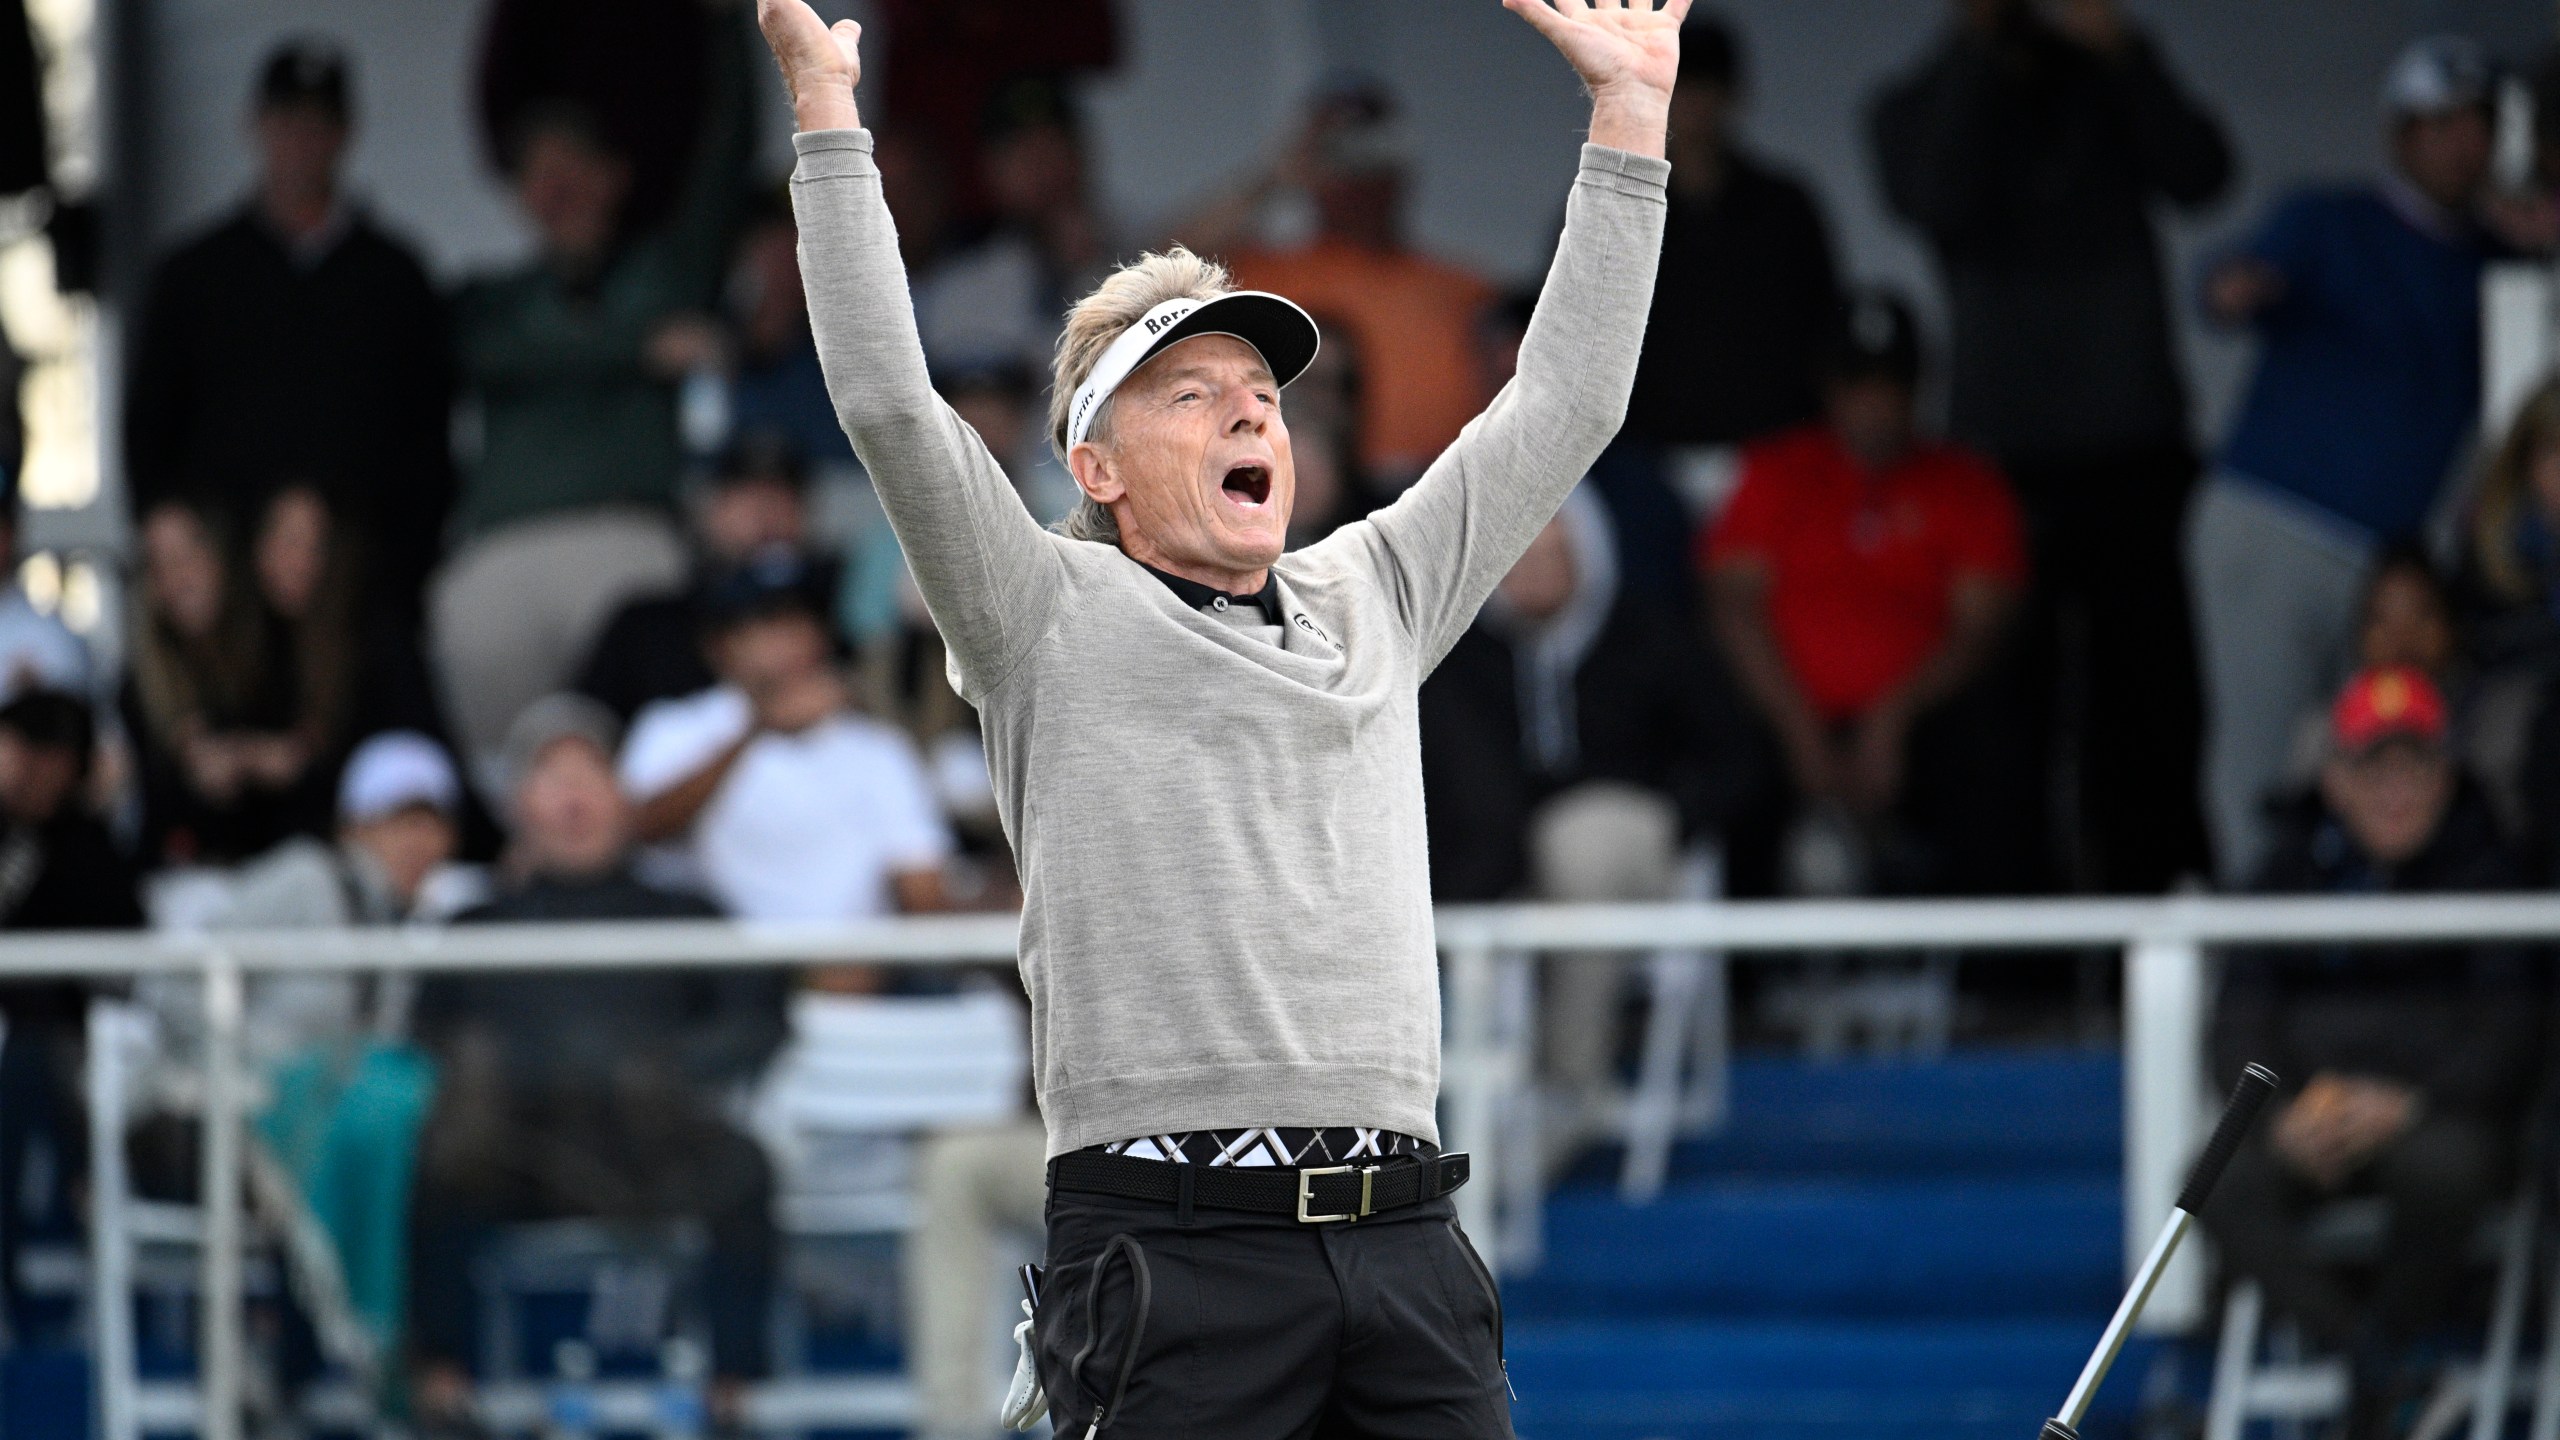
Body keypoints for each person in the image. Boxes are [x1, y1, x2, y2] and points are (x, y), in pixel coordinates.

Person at [758, 0, 1675, 1431]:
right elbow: (886, 399)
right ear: (1097, 467)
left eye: (1261, 393)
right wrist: (827, 113)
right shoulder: (1039, 609)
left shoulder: (1374, 584)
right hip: (1166, 1253)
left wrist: (1629, 121)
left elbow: (1568, 402)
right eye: (1193, 394)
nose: (1254, 415)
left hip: (1407, 1242)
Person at [1871, 0, 2228, 893]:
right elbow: (1934, 196)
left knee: (2146, 709)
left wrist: (2121, 46)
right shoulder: (1920, 97)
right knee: (2002, 716)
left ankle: (2151, 929)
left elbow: (2204, 174)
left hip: (2133, 444)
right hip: (2002, 453)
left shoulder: (2107, 75)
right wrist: (1978, 43)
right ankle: (2014, 957)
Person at [407, 694, 782, 1438]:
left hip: (650, 1146)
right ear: (519, 804)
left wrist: (671, 1069)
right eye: (552, 775)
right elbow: (427, 1041)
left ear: (621, 795)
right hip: (518, 1152)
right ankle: (441, 1390)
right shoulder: (473, 926)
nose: (573, 793)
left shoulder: (688, 915)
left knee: (746, 1168)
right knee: (437, 1168)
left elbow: (757, 1023)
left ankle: (730, 1398)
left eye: (590, 773)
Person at [2193, 36, 2509, 884]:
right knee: (2264, 766)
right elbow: (2222, 285)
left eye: (2474, 123)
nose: (2458, 144)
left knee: (2395, 759)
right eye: (2436, 125)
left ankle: (2373, 966)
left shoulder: (2491, 254)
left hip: (2392, 574)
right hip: (2277, 531)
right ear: (2399, 137)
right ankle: (2249, 964)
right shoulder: (2332, 218)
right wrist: (2234, 285)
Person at [2203, 665, 2542, 1440]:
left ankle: (2377, 1364)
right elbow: (2239, 1025)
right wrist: (2282, 1115)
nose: (2396, 787)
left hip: (2437, 1116)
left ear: (2447, 772)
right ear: (2334, 778)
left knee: (2449, 1166)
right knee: (2212, 1174)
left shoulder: (2493, 873)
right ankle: (2373, 1365)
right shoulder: (2282, 877)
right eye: (2372, 765)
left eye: (2414, 763)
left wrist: (2412, 1102)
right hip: (2313, 1119)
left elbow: (2514, 1029)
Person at [434, 8, 756, 784]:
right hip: (500, 556)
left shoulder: (666, 274)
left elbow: (725, 155)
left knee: (644, 774)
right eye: (538, 169)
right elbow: (488, 355)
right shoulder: (490, 302)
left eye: (575, 163)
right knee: (505, 781)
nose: (558, 184)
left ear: (616, 175)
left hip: (628, 548)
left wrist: (721, 23)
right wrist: (637, 351)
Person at [1422, 487, 1746, 1157]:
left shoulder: (1649, 634)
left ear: (1588, 553)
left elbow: (1736, 758)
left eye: (1553, 553)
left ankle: (1572, 1086)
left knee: (1582, 839)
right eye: (1517, 556)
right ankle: (1449, 1110)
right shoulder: (1463, 654)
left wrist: (1680, 816)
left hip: (1633, 850)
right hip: (1504, 859)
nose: (1533, 571)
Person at [1703, 290, 2037, 897]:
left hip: (1928, 714)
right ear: (1827, 387)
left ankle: (1999, 987)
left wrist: (1894, 718)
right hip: (1788, 709)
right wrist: (1799, 729)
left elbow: (1983, 627)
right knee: (1732, 773)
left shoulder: (1967, 482)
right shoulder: (1776, 471)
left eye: (1891, 383)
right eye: (1857, 383)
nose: (1874, 404)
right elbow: (1733, 608)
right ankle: (1739, 988)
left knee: (1994, 768)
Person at [123, 40, 452, 624]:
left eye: (318, 123)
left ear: (345, 133)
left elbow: (427, 439)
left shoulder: (394, 276)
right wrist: (172, 528)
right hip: (223, 589)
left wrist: (396, 558)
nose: (301, 141)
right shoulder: (195, 274)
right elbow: (149, 428)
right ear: (255, 126)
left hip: (364, 588)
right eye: (286, 121)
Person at [206, 732, 468, 1359]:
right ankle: (357, 1328)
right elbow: (187, 982)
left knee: (411, 1108)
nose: (417, 843)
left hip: (359, 1113)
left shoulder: (425, 926)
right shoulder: (305, 876)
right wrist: (235, 1067)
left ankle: (366, 1339)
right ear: (354, 825)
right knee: (394, 1101)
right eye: (398, 821)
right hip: (257, 1098)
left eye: (432, 825)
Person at [1182, 77, 1498, 488]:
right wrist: (1274, 176)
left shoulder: (1465, 287)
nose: (1360, 175)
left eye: (1376, 152)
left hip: (1446, 491)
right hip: (1311, 495)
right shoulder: (1269, 273)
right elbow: (1163, 265)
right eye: (1342, 156)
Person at [620, 553, 951, 922]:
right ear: (718, 646)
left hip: (860, 966)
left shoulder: (877, 746)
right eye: (764, 625)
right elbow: (636, 831)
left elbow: (923, 893)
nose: (786, 643)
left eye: (798, 622)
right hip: (720, 967)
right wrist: (756, 730)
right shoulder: (673, 726)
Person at [1626, 10, 1838, 451]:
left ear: (1733, 96)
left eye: (1709, 86)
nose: (1696, 104)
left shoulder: (1785, 209)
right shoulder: (1618, 208)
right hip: (1646, 462)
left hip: (1771, 458)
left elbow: (1824, 334)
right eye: (1682, 87)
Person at [0, 691, 143, 1339]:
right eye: (28, 751)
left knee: (33, 1061)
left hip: (68, 1054)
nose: (39, 773)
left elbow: (119, 966)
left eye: (58, 758)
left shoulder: (89, 846)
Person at [124, 498, 332, 865]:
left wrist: (249, 757)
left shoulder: (279, 646)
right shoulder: (139, 685)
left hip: (287, 863)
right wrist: (188, 765)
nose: (179, 576)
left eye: (189, 555)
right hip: (185, 883)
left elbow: (318, 761)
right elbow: (147, 820)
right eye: (161, 565)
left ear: (220, 556)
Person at [574, 437, 838, 724]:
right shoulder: (647, 624)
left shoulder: (839, 608)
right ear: (710, 511)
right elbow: (581, 721)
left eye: (783, 496)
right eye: (746, 497)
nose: (766, 512)